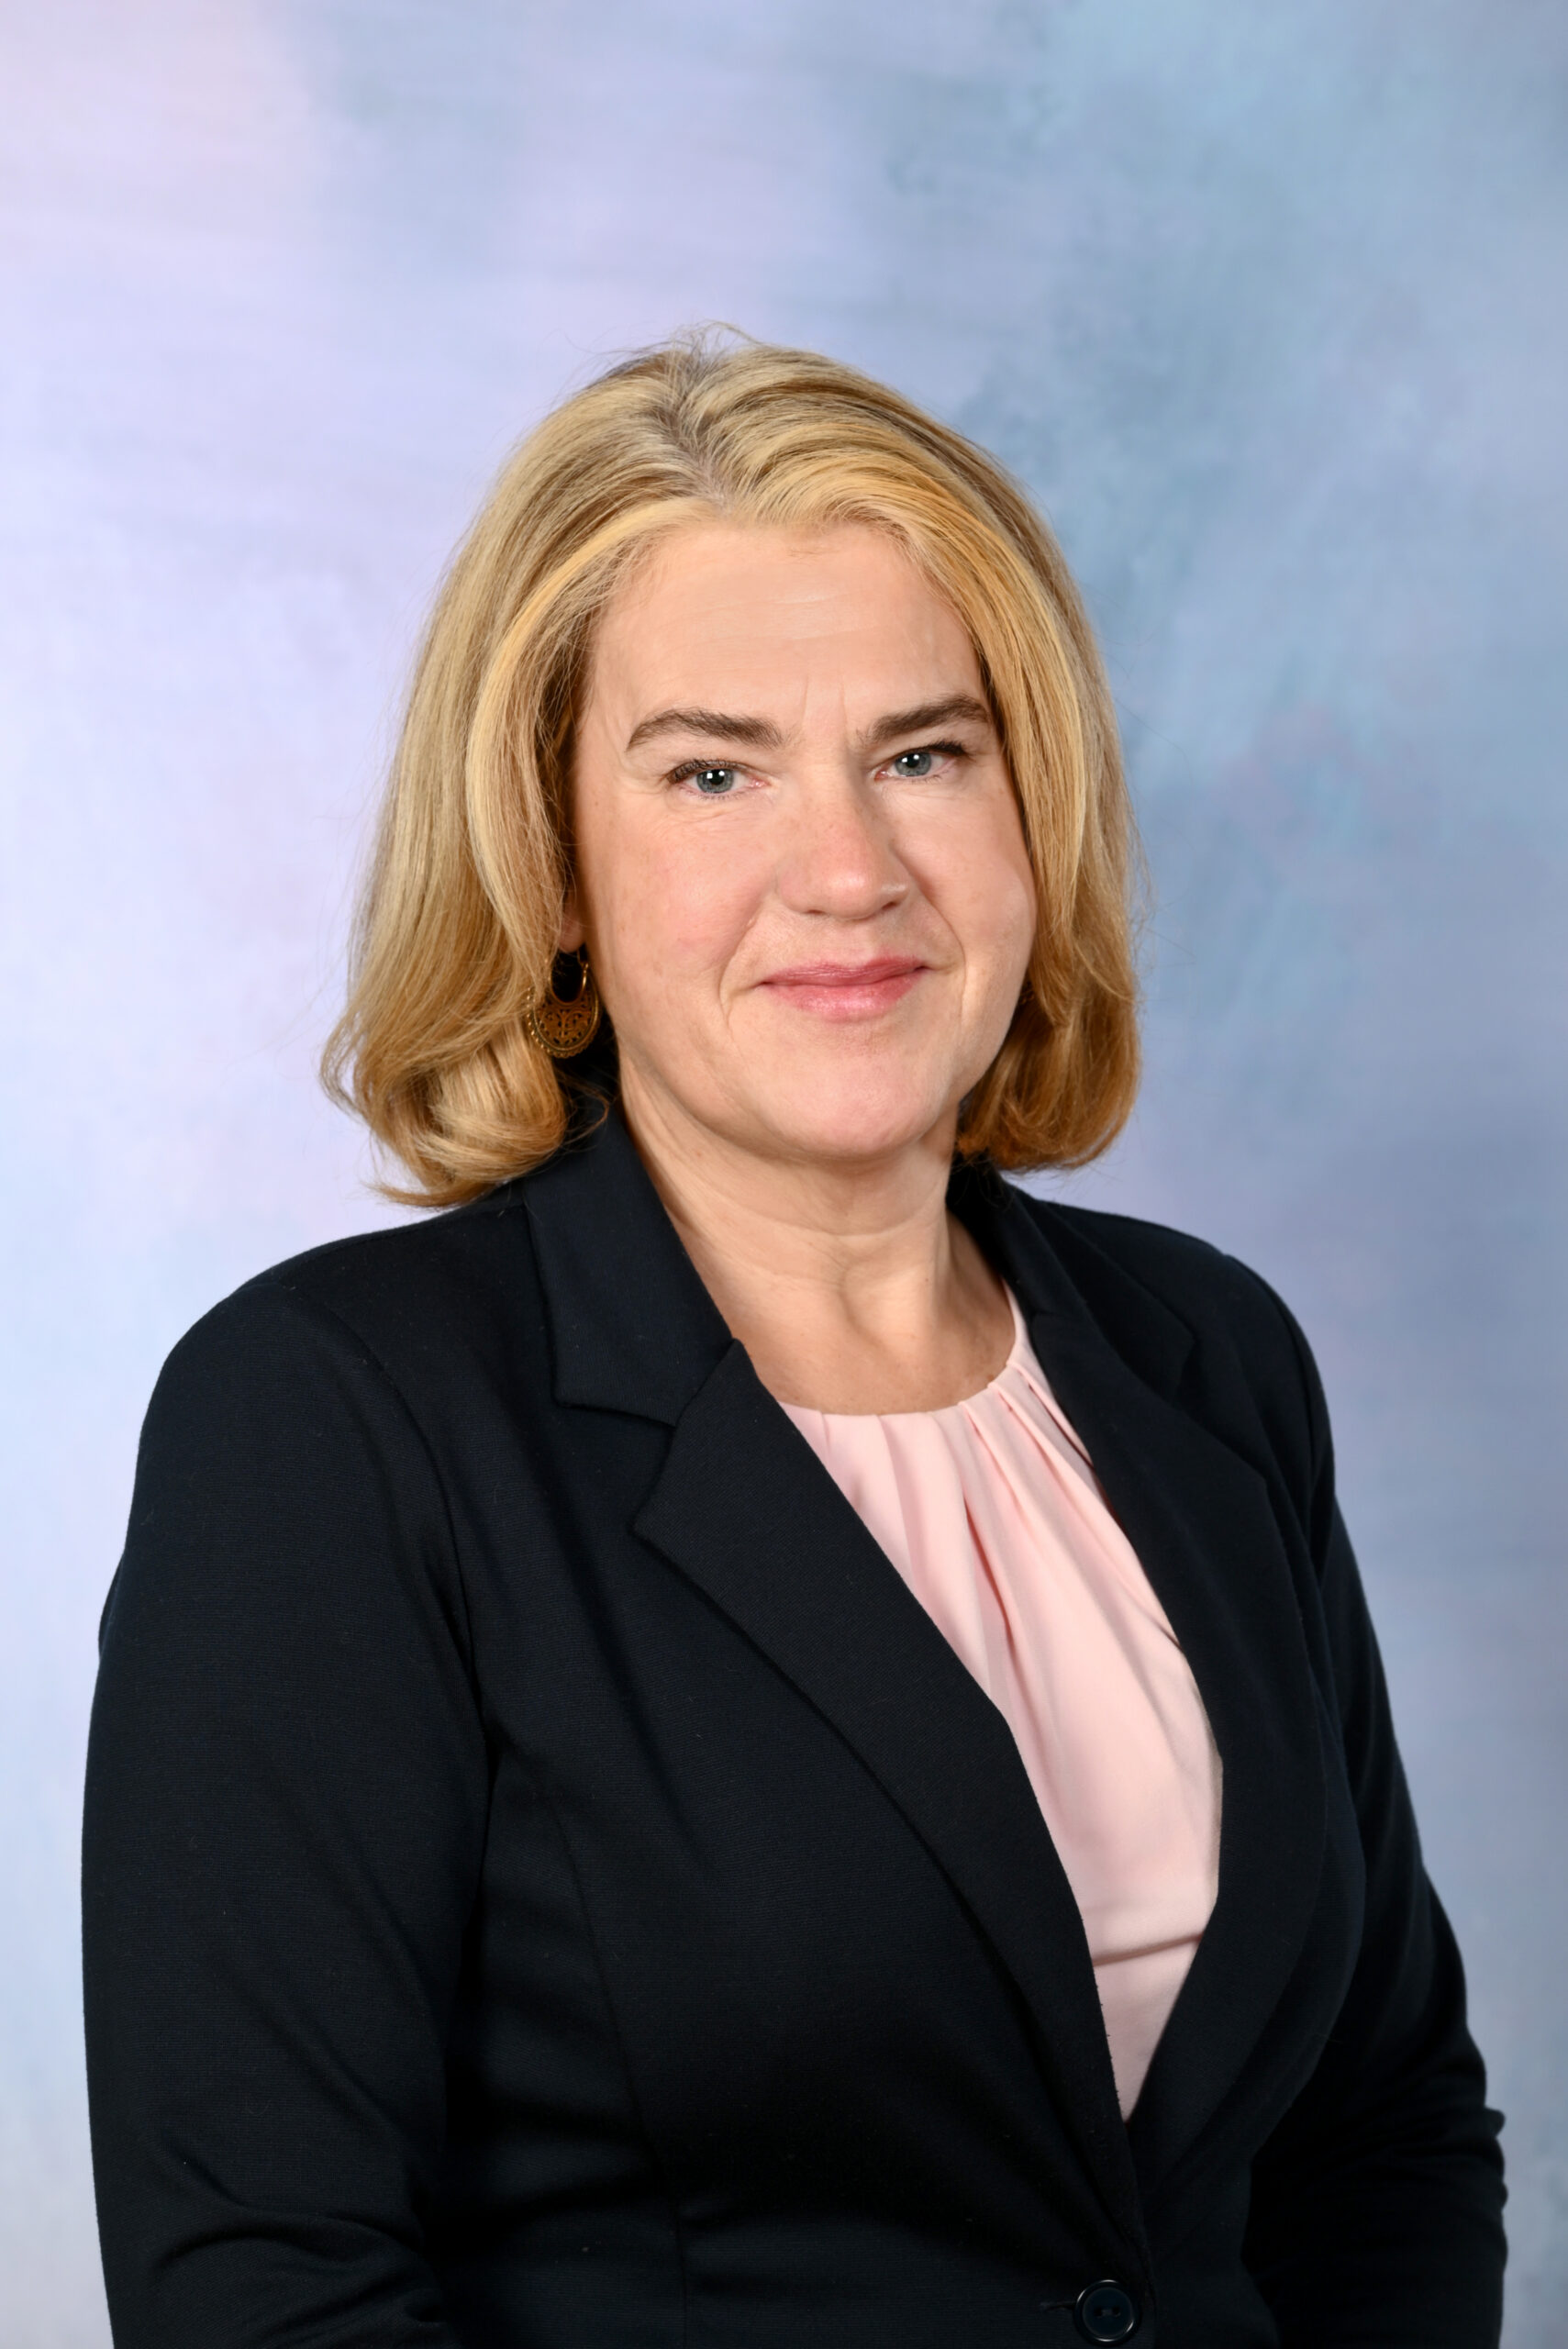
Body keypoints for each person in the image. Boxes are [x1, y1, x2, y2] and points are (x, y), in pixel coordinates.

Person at [82, 333, 1505, 2348]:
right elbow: (269, 2290)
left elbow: (1385, 2131)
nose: (849, 871)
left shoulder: (1208, 1355)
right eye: (712, 771)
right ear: (552, 865)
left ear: (1034, 811)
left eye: (925, 754)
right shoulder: (335, 1422)